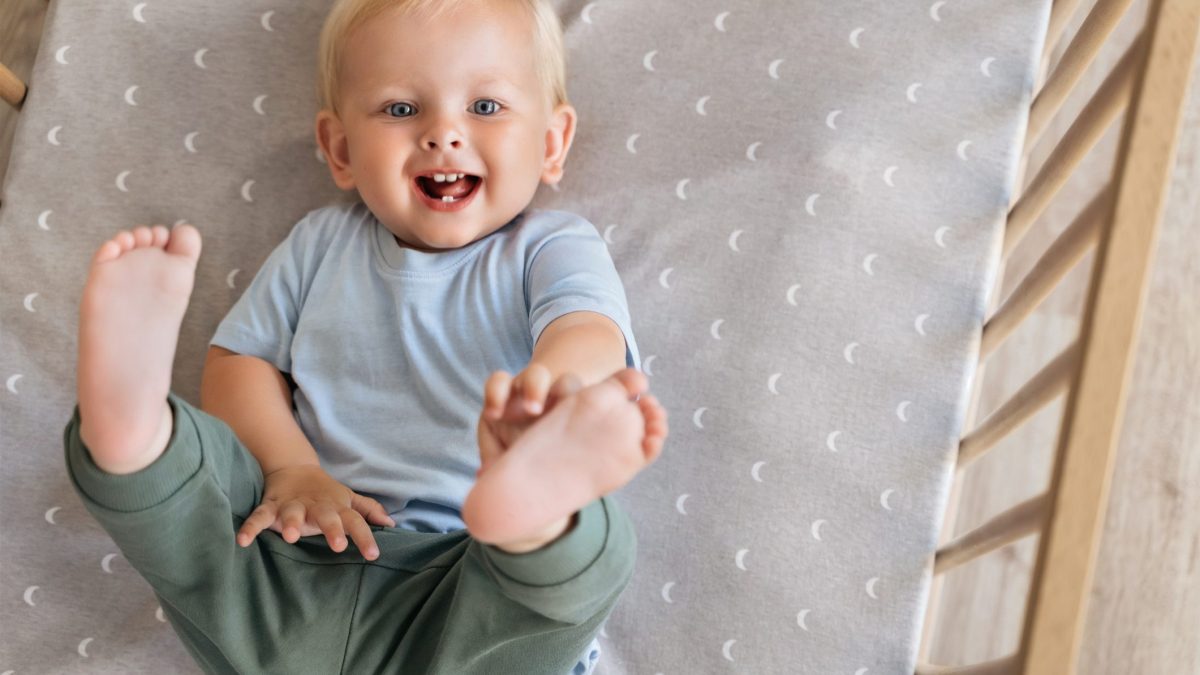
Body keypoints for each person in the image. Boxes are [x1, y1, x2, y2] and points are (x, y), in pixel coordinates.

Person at [62, 0, 669, 672]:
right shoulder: (321, 242)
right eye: (401, 110)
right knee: (204, 513)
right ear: (341, 150)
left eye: (486, 107)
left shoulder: (549, 246)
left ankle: (531, 517)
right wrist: (293, 468)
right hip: (297, 543)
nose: (444, 134)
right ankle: (139, 437)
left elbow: (587, 330)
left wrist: (548, 396)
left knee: (567, 573)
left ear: (551, 144)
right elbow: (241, 363)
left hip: (467, 578)